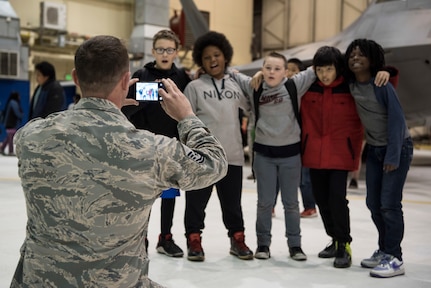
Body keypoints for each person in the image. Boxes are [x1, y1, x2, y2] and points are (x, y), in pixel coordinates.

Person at [10, 35, 228, 288]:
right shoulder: (152, 150)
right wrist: (187, 117)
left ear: (76, 78)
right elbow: (215, 163)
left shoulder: (30, 137)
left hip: (39, 281)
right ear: (126, 81)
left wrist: (101, 105)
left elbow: (51, 125)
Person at [230, 51, 317, 261]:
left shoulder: (293, 85)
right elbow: (232, 74)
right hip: (264, 155)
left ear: (285, 72)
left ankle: (295, 245)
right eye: (268, 67)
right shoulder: (255, 87)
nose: (272, 72)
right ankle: (263, 244)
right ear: (262, 69)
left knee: (291, 204)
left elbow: (319, 66)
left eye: (277, 69)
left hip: (291, 155)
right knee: (265, 203)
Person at [183, 31, 253, 262]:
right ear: (200, 62)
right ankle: (194, 239)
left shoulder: (235, 85)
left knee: (233, 205)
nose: (212, 60)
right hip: (201, 157)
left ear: (225, 56)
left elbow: (252, 107)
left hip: (231, 155)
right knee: (196, 203)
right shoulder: (194, 88)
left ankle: (237, 238)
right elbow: (184, 118)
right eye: (206, 57)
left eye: (217, 55)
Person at [345, 38, 413, 278]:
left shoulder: (382, 85)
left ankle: (395, 257)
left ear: (372, 59)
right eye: (352, 54)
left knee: (389, 204)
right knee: (373, 204)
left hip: (397, 148)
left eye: (361, 54)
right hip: (374, 149)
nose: (355, 57)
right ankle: (384, 250)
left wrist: (393, 155)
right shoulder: (351, 83)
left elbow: (397, 121)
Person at [122, 29, 192, 258]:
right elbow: (127, 109)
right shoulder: (142, 74)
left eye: (169, 49)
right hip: (145, 148)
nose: (164, 53)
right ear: (153, 51)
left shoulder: (182, 78)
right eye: (160, 49)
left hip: (171, 147)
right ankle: (140, 238)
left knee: (169, 196)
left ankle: (166, 238)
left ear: (176, 52)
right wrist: (143, 100)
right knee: (144, 197)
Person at [300, 46, 366, 268]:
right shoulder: (309, 89)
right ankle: (335, 238)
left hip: (339, 155)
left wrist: (386, 72)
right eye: (320, 70)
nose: (324, 75)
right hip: (314, 155)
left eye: (329, 69)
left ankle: (344, 244)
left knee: (337, 200)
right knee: (321, 200)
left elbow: (377, 84)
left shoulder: (350, 88)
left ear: (338, 68)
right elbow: (284, 86)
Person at [0, 92, 23, 156]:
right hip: (10, 122)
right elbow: (17, 112)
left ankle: (2, 148)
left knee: (9, 136)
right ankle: (10, 151)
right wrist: (21, 115)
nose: (19, 97)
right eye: (18, 96)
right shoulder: (13, 102)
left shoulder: (11, 102)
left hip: (10, 122)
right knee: (11, 137)